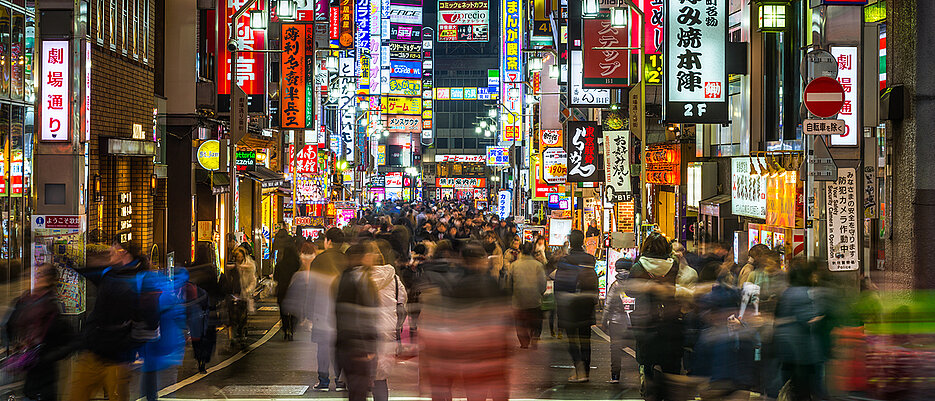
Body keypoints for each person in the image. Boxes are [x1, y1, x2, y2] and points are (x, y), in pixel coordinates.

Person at [71, 239, 161, 401]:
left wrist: (130, 347)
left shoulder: (142, 280)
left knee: (117, 396)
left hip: (119, 356)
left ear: (123, 253)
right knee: (77, 395)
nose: (110, 251)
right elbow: (86, 272)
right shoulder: (108, 272)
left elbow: (151, 321)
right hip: (94, 350)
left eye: (114, 249)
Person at [4, 263, 74, 401]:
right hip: (20, 369)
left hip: (41, 379)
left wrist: (45, 357)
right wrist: (15, 346)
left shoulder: (51, 309)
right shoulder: (23, 301)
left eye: (39, 274)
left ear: (49, 280)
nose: (35, 277)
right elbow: (9, 327)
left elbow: (70, 342)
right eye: (34, 274)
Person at [628, 231, 682, 400]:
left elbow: (630, 291)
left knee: (648, 361)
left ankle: (649, 386)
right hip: (670, 318)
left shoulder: (638, 267)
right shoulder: (674, 265)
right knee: (671, 364)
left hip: (646, 320)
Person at [283, 241, 340, 391]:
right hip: (337, 320)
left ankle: (324, 381)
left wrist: (307, 315)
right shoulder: (336, 279)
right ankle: (340, 381)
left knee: (322, 350)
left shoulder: (312, 278)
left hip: (320, 320)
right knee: (336, 350)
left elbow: (307, 298)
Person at [334, 242, 380, 401]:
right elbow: (368, 315)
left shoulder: (343, 277)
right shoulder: (363, 279)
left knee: (354, 390)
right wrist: (370, 346)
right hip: (358, 345)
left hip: (344, 344)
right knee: (359, 390)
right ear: (363, 257)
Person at [773, 260, 824, 400]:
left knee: (791, 384)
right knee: (802, 389)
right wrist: (821, 317)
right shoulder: (803, 293)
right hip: (800, 348)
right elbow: (807, 319)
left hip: (785, 346)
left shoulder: (787, 292)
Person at [553, 230, 599, 383]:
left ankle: (578, 368)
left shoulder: (565, 261)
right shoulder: (590, 260)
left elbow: (558, 285)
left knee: (572, 339)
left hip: (570, 306)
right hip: (587, 304)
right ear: (583, 242)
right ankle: (586, 372)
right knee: (586, 340)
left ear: (571, 243)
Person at [139, 268, 188, 401]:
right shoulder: (168, 295)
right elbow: (178, 316)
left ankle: (150, 397)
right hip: (167, 347)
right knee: (167, 383)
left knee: (149, 378)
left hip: (152, 345)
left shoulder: (145, 296)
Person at [371, 243, 407, 401]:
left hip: (364, 332)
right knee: (380, 378)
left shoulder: (359, 277)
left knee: (359, 380)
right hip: (387, 332)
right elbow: (402, 303)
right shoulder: (394, 278)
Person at [602, 258, 633, 384]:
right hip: (634, 321)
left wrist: (604, 321)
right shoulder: (634, 284)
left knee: (615, 349)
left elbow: (608, 304)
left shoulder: (615, 285)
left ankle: (615, 376)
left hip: (616, 322)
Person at [510, 241, 547, 349]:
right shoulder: (538, 265)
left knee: (520, 323)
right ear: (532, 251)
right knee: (535, 321)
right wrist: (539, 293)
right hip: (534, 300)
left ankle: (524, 342)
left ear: (520, 251)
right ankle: (535, 335)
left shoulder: (514, 265)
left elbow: (508, 283)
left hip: (518, 300)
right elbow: (542, 284)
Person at [274, 244, 302, 341]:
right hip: (296, 290)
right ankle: (292, 329)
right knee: (295, 311)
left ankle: (286, 329)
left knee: (284, 311)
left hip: (283, 290)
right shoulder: (298, 264)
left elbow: (275, 277)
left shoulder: (280, 264)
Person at [232, 247, 257, 313]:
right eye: (238, 257)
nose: (239, 259)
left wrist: (248, 290)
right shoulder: (234, 266)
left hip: (245, 291)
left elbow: (253, 280)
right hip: (237, 290)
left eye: (241, 257)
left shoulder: (249, 266)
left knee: (243, 308)